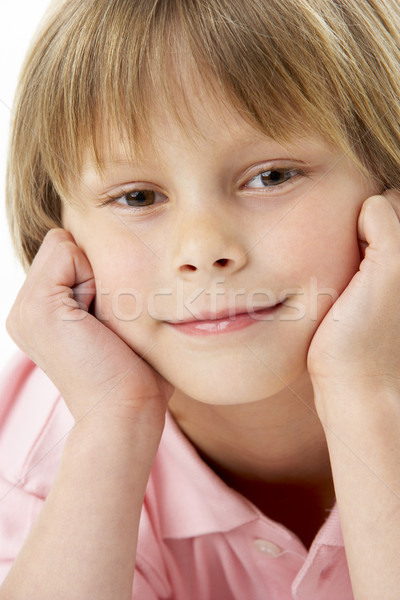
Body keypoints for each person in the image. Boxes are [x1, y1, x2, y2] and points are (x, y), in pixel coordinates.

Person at [1, 0, 400, 597]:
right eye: (137, 197)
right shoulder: (29, 461)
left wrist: (365, 399)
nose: (204, 248)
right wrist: (115, 422)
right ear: (60, 241)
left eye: (272, 176)